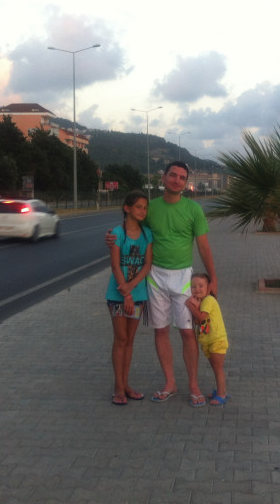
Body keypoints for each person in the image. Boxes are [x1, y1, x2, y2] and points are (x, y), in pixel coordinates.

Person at [105, 161, 217, 407]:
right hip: (154, 277)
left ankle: (194, 385)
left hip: (183, 278)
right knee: (161, 330)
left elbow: (203, 246)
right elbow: (131, 229)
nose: (177, 180)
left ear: (185, 183)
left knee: (187, 332)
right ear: (164, 178)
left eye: (182, 177)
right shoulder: (151, 208)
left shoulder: (193, 209)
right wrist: (111, 237)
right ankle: (170, 383)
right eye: (173, 175)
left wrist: (213, 278)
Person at [105, 190, 154, 406]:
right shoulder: (117, 233)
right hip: (118, 295)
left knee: (130, 340)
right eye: (138, 207)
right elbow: (115, 266)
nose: (142, 211)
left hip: (138, 294)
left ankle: (126, 385)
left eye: (145, 208)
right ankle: (118, 387)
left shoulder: (147, 234)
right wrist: (125, 294)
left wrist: (132, 289)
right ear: (127, 208)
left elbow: (147, 264)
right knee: (121, 339)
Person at [185, 272, 229, 406]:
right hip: (208, 341)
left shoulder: (209, 300)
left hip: (217, 340)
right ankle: (221, 390)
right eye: (193, 286)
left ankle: (222, 394)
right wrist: (196, 306)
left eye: (200, 286)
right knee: (215, 367)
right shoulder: (203, 301)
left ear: (208, 287)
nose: (197, 289)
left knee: (218, 368)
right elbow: (198, 322)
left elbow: (201, 318)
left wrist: (190, 306)